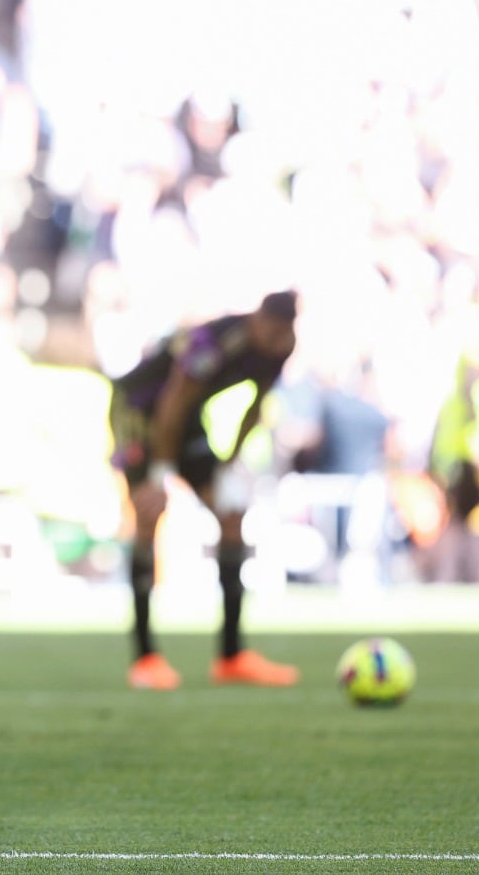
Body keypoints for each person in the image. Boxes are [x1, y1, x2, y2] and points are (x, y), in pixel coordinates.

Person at [108, 289, 302, 691]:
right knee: (149, 515)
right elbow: (172, 400)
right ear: (257, 320)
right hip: (141, 412)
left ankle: (232, 656)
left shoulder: (282, 346)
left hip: (187, 418)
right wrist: (160, 471)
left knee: (233, 519)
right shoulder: (216, 342)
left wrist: (230, 465)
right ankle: (145, 658)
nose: (275, 340)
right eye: (270, 330)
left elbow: (256, 403)